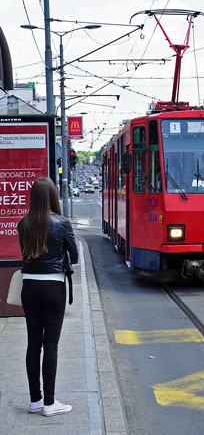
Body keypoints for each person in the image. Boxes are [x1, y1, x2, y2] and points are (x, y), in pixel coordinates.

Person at [17, 177, 78, 417]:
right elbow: (73, 256)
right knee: (50, 344)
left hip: (29, 286)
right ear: (53, 196)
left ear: (33, 198)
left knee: (33, 343)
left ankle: (35, 401)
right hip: (54, 287)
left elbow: (26, 253)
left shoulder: (23, 224)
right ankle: (50, 404)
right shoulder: (62, 223)